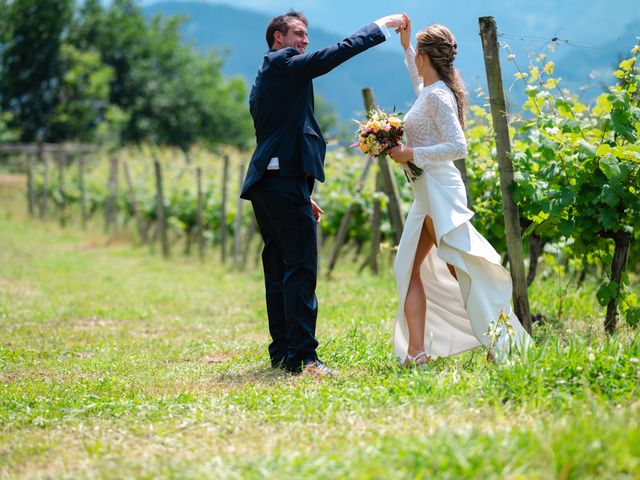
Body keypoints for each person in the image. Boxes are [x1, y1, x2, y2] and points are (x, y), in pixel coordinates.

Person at [240, 10, 407, 376]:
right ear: (277, 38)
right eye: (298, 33)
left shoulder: (269, 77)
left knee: (280, 268)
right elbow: (334, 54)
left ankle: (284, 353)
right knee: (300, 267)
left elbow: (278, 134)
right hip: (281, 181)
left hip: (272, 182)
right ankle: (304, 357)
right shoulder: (284, 62)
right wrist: (379, 27)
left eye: (306, 35)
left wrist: (301, 189)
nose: (305, 41)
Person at [387, 15, 532, 367]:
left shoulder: (439, 97)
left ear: (427, 57)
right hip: (426, 191)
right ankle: (418, 352)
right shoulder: (429, 91)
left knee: (460, 269)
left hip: (440, 190)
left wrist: (410, 154)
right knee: (414, 268)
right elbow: (418, 84)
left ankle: (502, 345)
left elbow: (458, 145)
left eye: (417, 54)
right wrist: (407, 45)